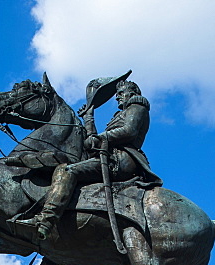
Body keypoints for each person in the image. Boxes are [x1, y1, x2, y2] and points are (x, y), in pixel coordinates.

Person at [31, 71, 162, 243]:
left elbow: (129, 131)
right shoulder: (119, 115)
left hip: (122, 160)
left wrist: (101, 138)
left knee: (68, 171)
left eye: (121, 94)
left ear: (132, 92)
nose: (117, 98)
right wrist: (89, 117)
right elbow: (93, 141)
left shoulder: (137, 106)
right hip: (110, 157)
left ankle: (47, 220)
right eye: (117, 95)